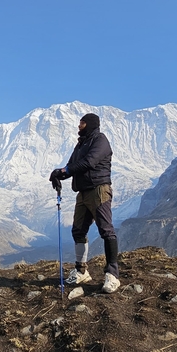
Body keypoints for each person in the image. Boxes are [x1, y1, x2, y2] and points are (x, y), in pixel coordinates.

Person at [49, 113, 120, 293]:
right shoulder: (81, 144)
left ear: (90, 124)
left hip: (98, 190)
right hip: (83, 192)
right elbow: (72, 165)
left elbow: (89, 163)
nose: (79, 126)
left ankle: (113, 274)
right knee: (78, 230)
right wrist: (59, 174)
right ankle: (81, 270)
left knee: (106, 230)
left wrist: (65, 170)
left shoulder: (100, 141)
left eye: (82, 123)